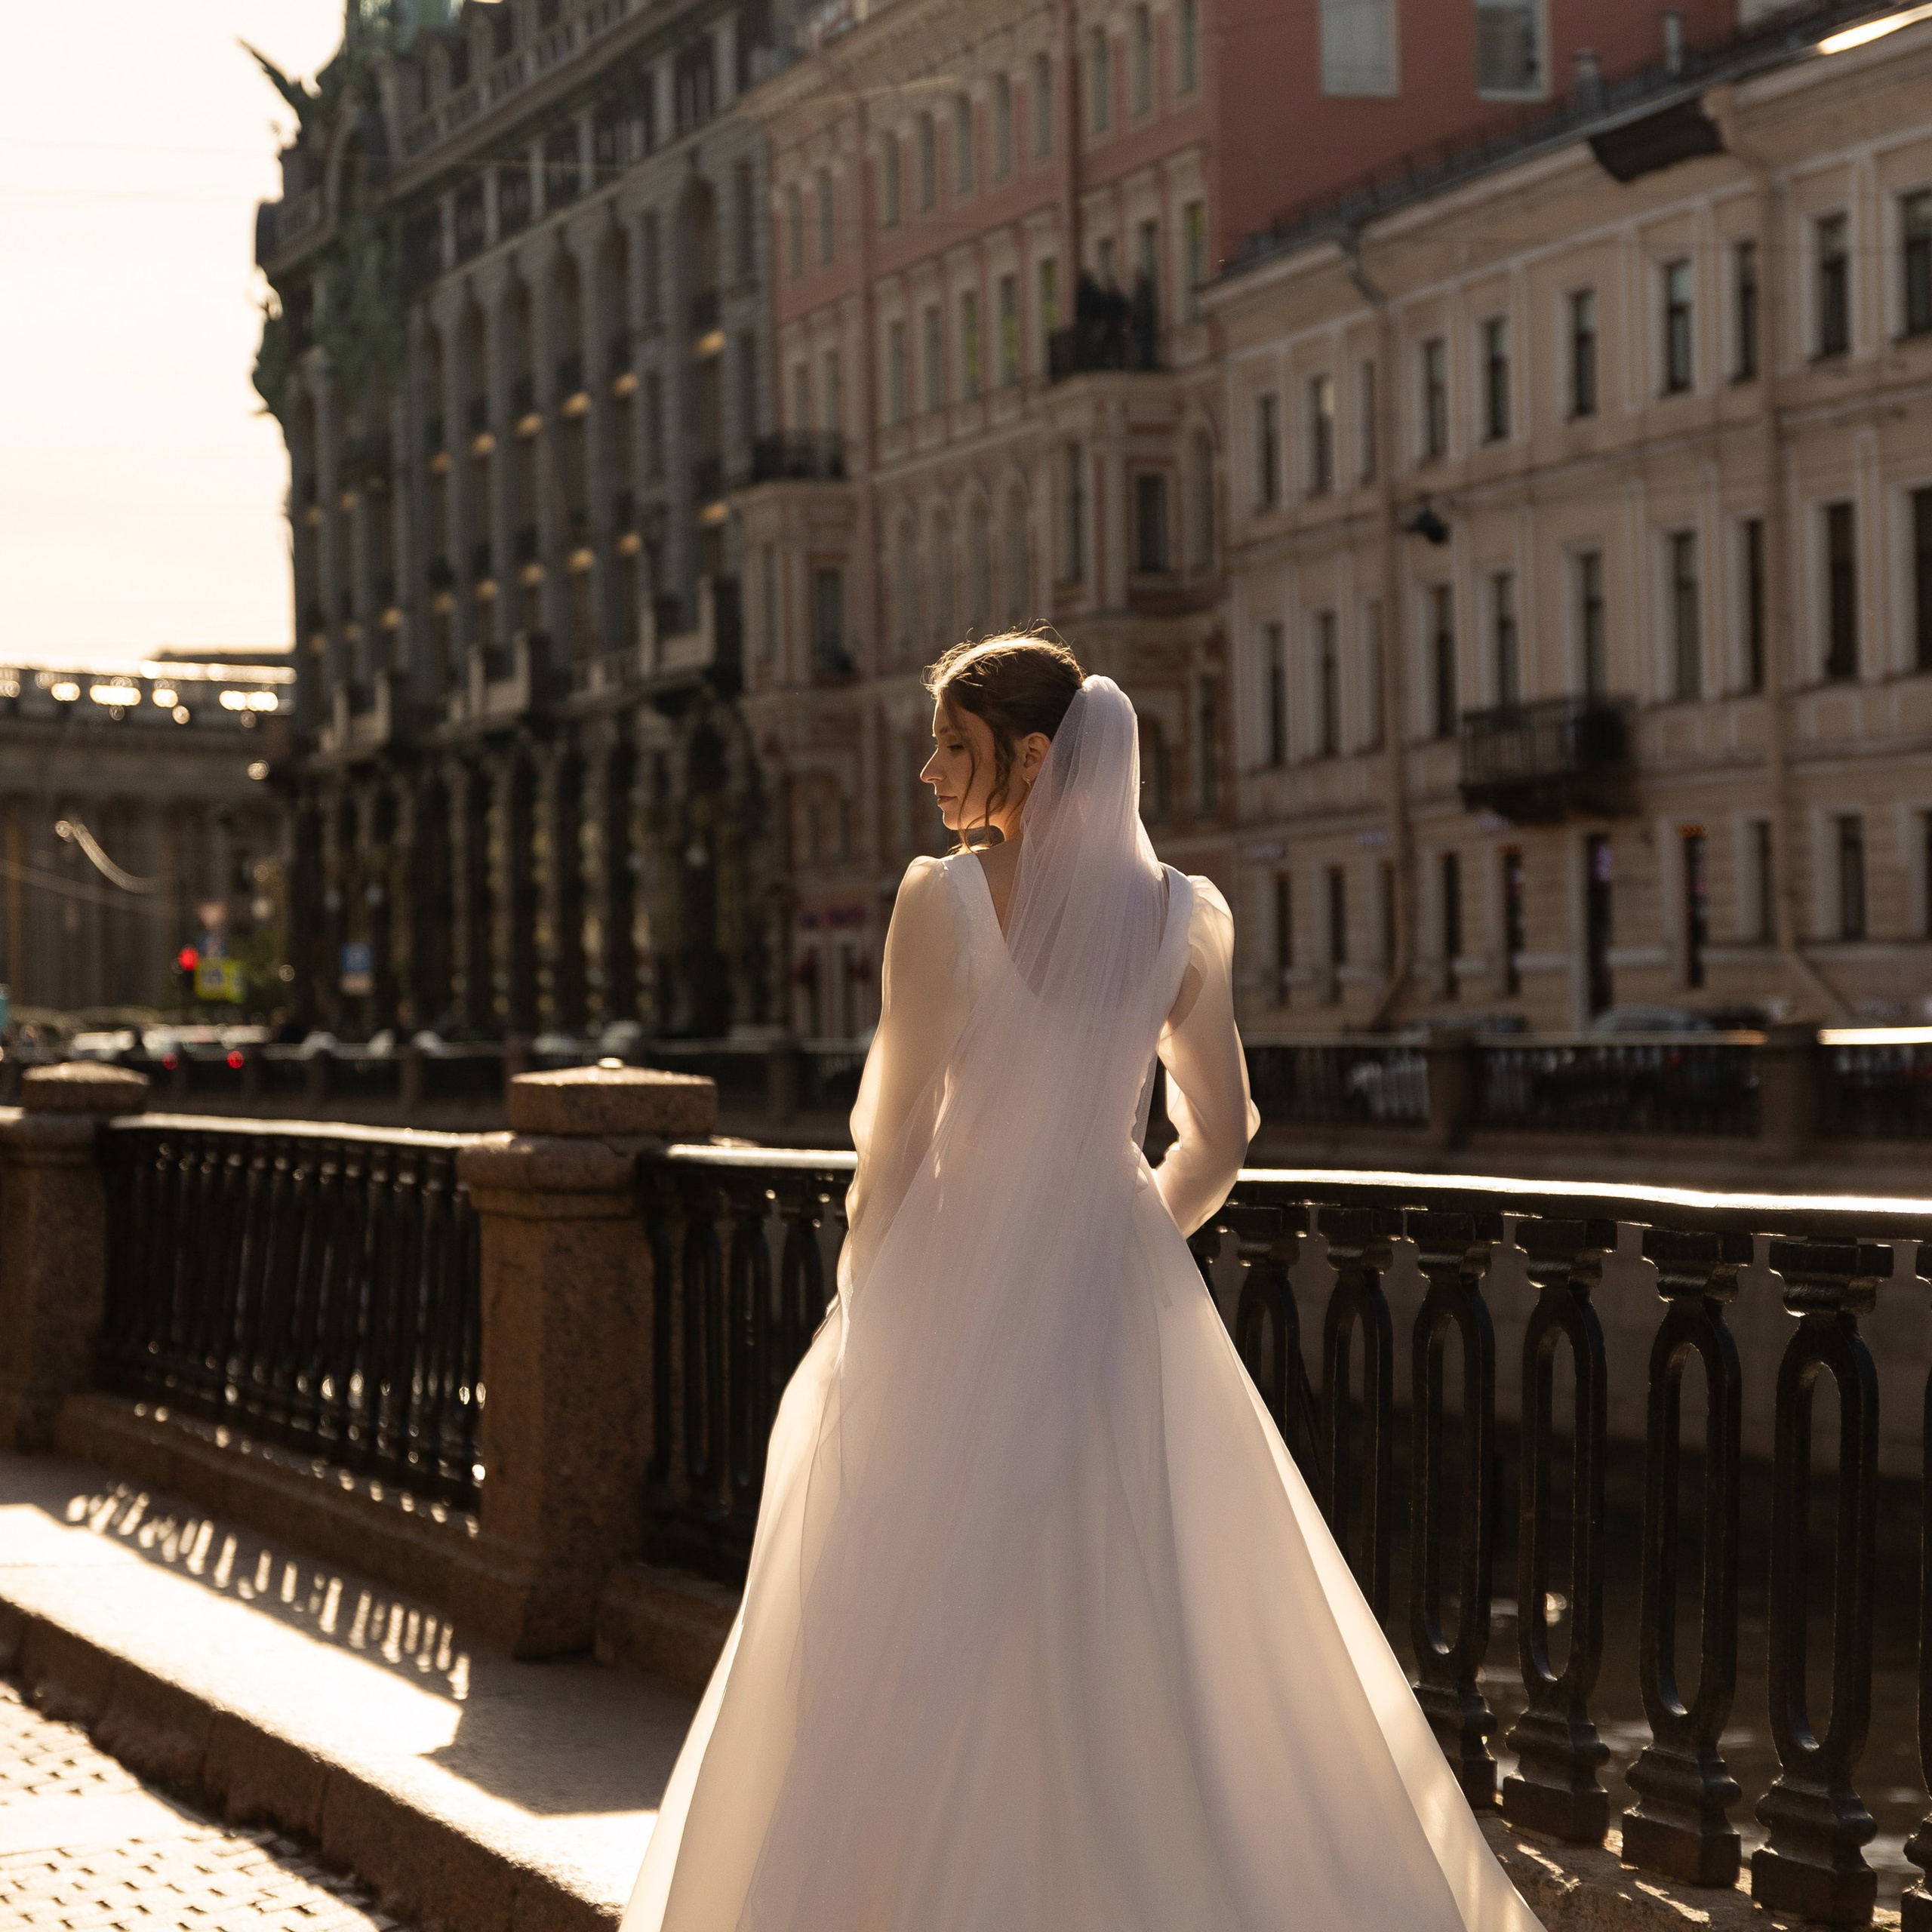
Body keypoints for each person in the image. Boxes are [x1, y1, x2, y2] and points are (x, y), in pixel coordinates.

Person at [623, 634, 1546, 1932]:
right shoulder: (1184, 916)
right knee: (1161, 1626)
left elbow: (884, 1146)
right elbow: (1221, 1139)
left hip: (953, 1284)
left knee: (927, 1620)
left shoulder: (940, 906)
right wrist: (1125, 1236)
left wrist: (867, 1302)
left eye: (954, 743)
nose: (929, 768)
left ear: (1034, 755)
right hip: (1120, 1292)